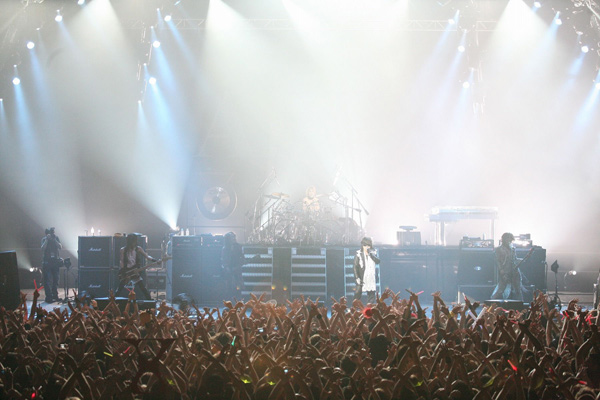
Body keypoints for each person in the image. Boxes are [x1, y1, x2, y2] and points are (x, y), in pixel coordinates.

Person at [117, 233, 156, 300]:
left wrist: (153, 260)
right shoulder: (123, 250)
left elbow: (147, 256)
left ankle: (150, 301)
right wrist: (124, 272)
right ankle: (113, 300)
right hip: (126, 271)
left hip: (135, 271)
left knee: (142, 287)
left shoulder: (138, 249)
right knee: (120, 288)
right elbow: (121, 261)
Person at [491, 232, 523, 301]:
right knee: (501, 289)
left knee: (518, 288)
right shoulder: (499, 249)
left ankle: (520, 304)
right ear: (504, 239)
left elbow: (515, 259)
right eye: (507, 238)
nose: (509, 240)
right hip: (505, 270)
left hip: (514, 270)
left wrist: (522, 260)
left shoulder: (513, 249)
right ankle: (491, 302)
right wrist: (501, 270)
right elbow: (497, 261)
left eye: (510, 238)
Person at [353, 236, 380, 304]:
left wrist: (371, 255)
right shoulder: (358, 254)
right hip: (362, 277)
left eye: (368, 245)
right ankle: (355, 307)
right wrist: (357, 277)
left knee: (371, 295)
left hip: (371, 277)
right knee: (358, 293)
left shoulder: (373, 253)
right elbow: (355, 267)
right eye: (365, 245)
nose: (366, 247)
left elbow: (378, 261)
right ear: (362, 245)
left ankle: (369, 308)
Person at [41, 227, 62, 303]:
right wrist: (47, 239)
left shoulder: (56, 238)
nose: (53, 234)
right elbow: (42, 248)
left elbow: (60, 247)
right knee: (47, 281)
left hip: (55, 262)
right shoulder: (44, 239)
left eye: (54, 232)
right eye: (52, 233)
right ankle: (49, 297)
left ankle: (55, 296)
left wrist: (54, 239)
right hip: (47, 262)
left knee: (56, 279)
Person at [221, 232, 245, 298]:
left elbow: (242, 258)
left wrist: (238, 265)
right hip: (228, 273)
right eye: (232, 237)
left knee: (238, 289)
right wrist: (227, 268)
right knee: (229, 290)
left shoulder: (239, 247)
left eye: (234, 237)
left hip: (237, 272)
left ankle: (238, 301)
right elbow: (223, 260)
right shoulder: (225, 249)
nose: (234, 239)